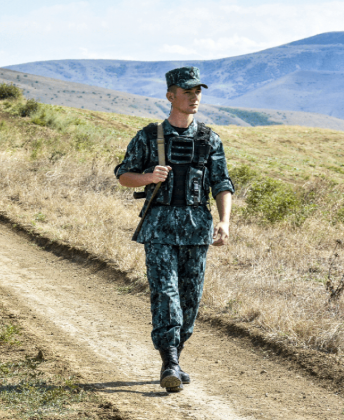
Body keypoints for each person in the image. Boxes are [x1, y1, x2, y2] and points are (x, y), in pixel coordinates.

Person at [114, 67, 234, 392]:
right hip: (159, 226)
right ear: (171, 95)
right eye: (188, 91)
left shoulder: (210, 139)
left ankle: (176, 358)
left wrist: (224, 221)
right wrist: (148, 177)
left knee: (191, 297)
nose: (194, 97)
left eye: (198, 92)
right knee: (166, 292)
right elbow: (124, 174)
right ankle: (169, 360)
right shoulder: (149, 136)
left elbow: (221, 183)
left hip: (197, 228)